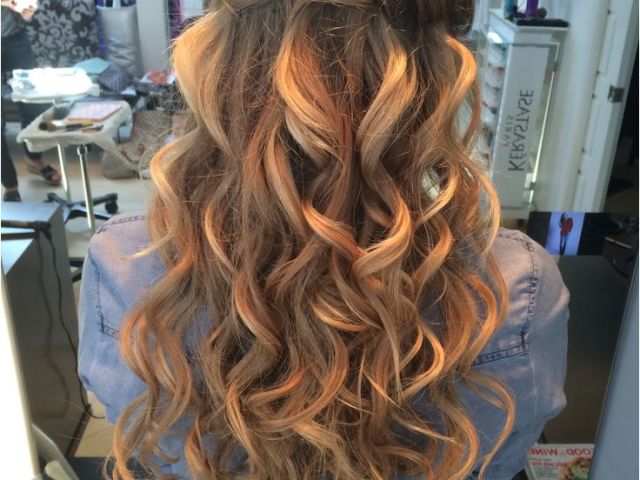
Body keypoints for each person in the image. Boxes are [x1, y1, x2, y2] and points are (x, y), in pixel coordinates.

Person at [78, 2, 569, 479]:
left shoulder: (125, 267)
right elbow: (499, 461)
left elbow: (148, 451)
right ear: (436, 79)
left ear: (215, 62)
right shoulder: (516, 289)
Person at [1, 0, 61, 202]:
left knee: (34, 103)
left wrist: (26, 4)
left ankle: (34, 160)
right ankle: (10, 185)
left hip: (12, 36)